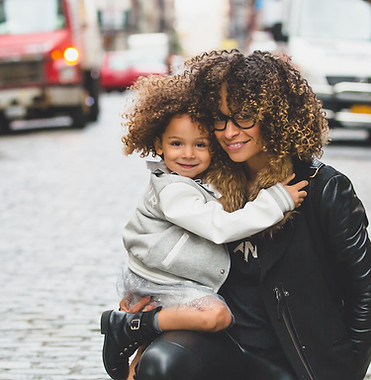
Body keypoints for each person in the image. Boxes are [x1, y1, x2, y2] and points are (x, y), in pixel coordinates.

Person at [120, 50, 371, 380]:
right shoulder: (205, 185)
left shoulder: (323, 188)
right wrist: (147, 325)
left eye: (244, 118)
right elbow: (168, 263)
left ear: (274, 116)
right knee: (161, 365)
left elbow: (364, 292)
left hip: (296, 357)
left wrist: (348, 367)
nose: (229, 132)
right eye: (220, 119)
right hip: (223, 344)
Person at [100, 73, 308, 380]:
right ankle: (130, 327)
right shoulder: (173, 190)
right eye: (176, 143)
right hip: (164, 283)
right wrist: (276, 201)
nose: (188, 153)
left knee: (159, 352)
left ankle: (140, 346)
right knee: (217, 316)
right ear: (158, 143)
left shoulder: (195, 182)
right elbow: (219, 227)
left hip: (169, 280)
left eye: (200, 144)